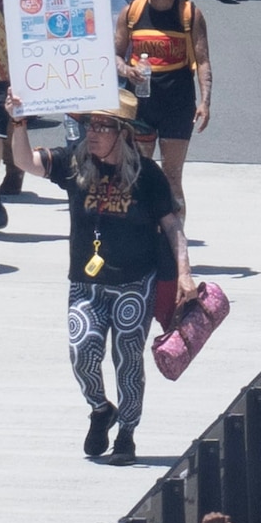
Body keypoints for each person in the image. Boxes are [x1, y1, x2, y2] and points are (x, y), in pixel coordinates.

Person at [49, 99, 185, 463]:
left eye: (102, 127)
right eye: (90, 125)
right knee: (82, 354)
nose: (92, 133)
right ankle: (100, 409)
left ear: (122, 134)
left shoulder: (146, 175)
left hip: (134, 283)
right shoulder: (75, 163)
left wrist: (184, 274)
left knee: (127, 360)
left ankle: (126, 433)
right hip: (86, 285)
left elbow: (172, 225)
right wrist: (16, 124)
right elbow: (27, 161)